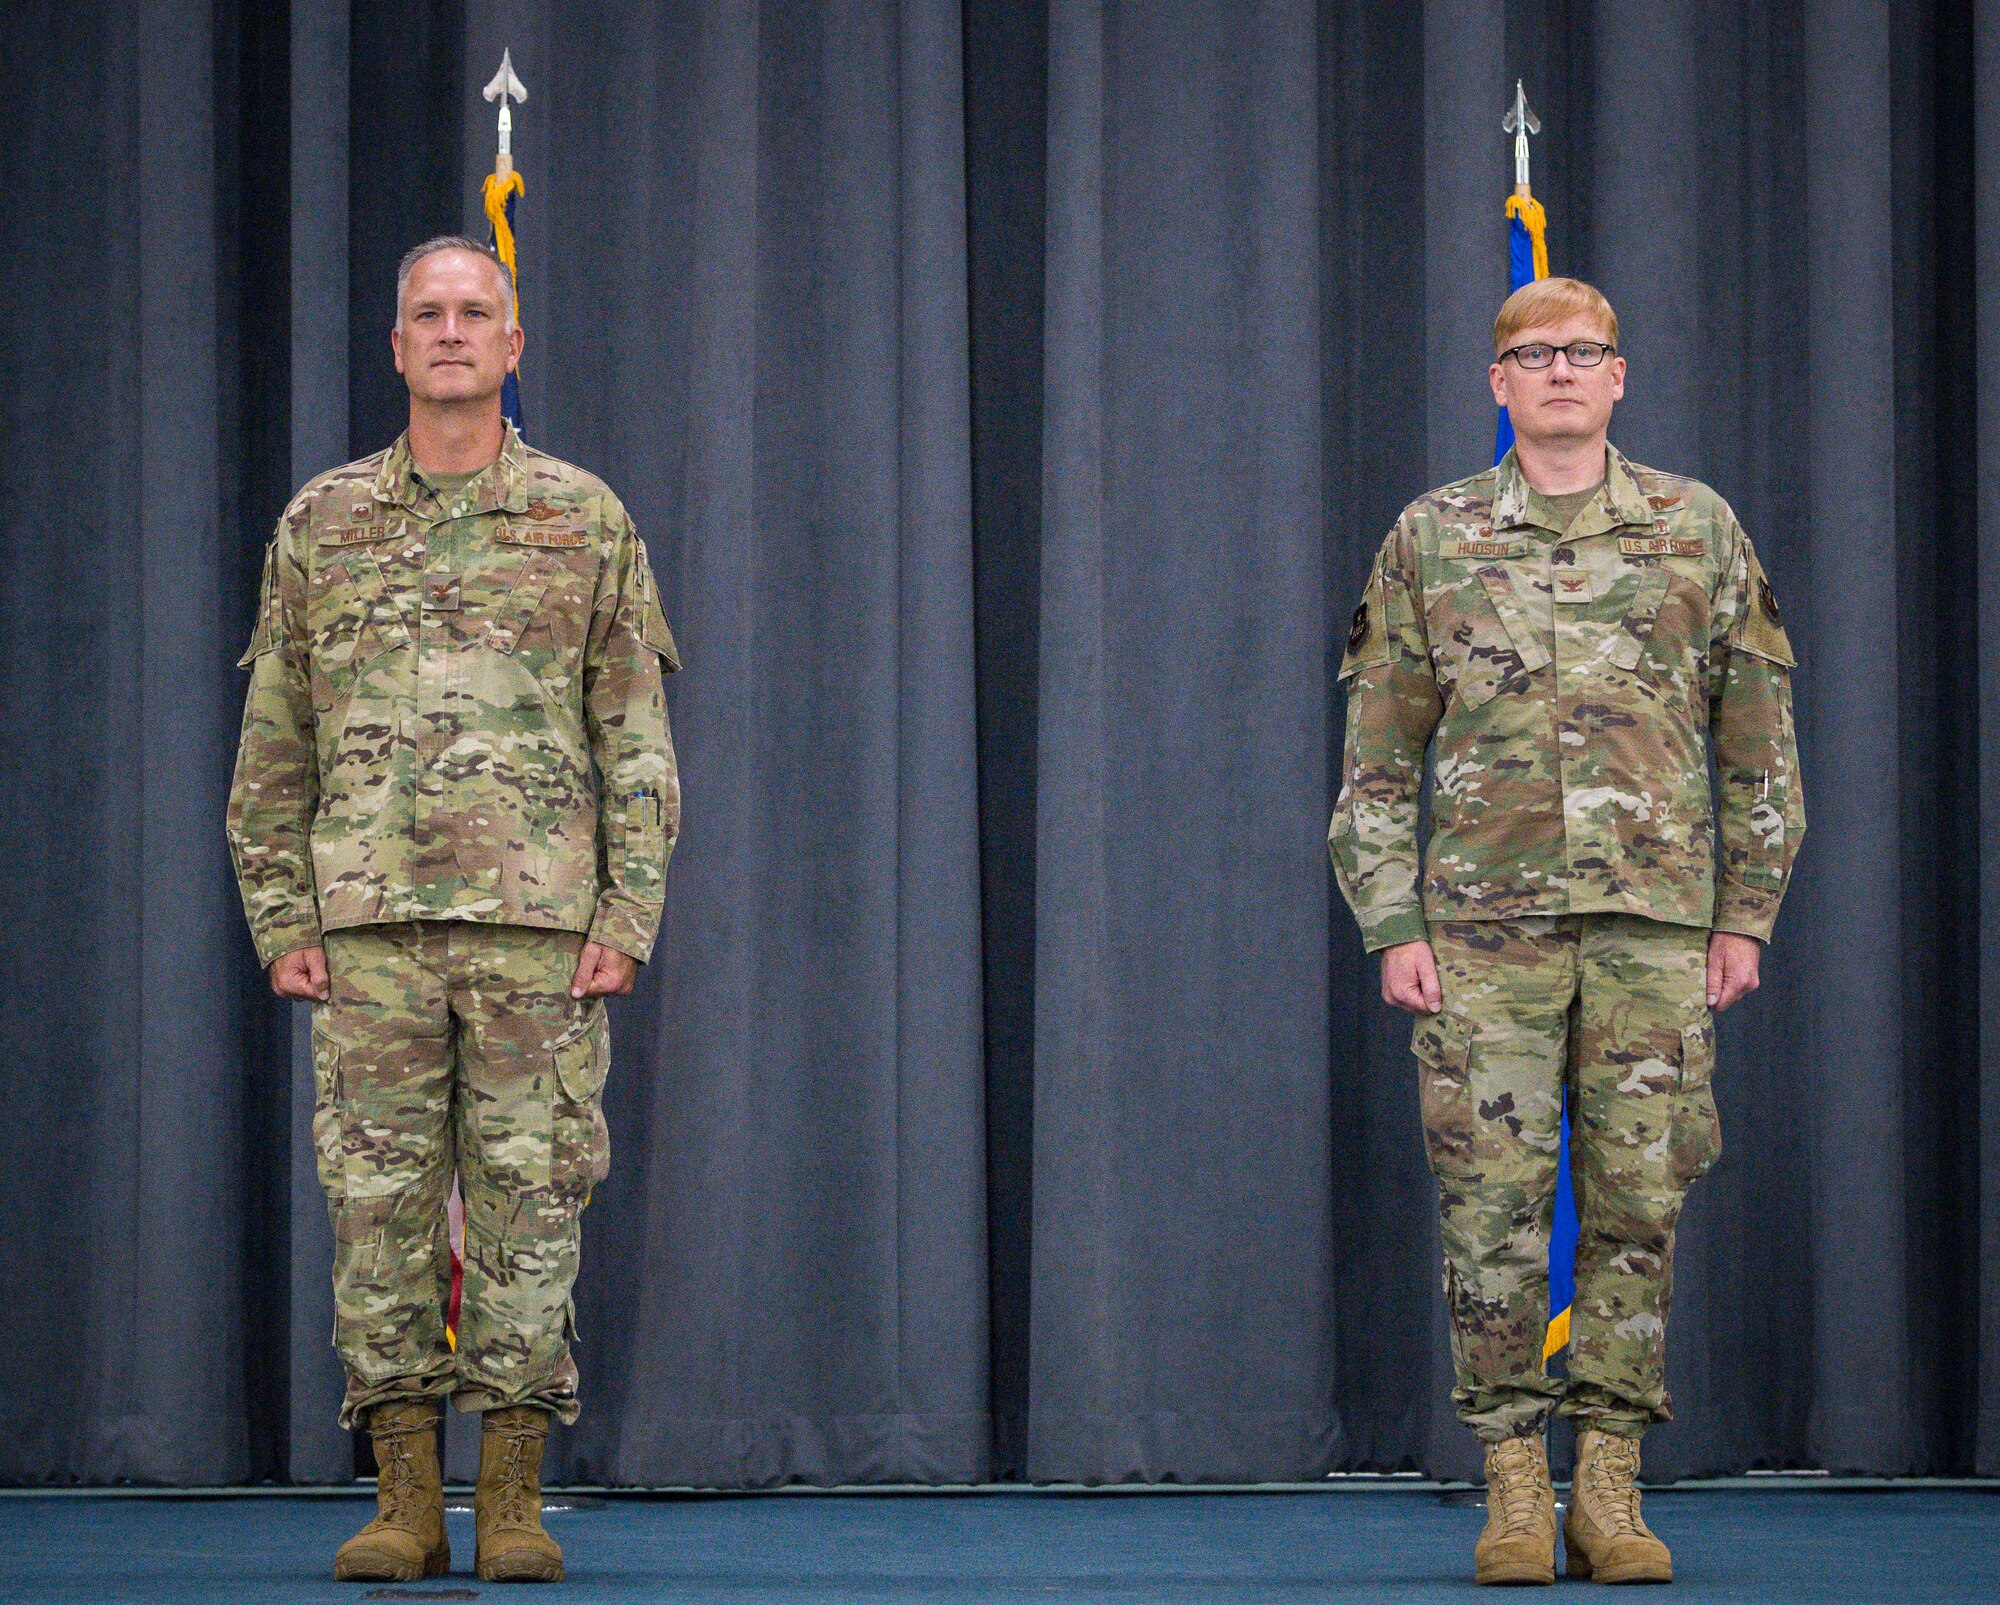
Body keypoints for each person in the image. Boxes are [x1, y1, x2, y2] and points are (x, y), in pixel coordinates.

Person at [1328, 277, 1802, 1586]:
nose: (1558, 373)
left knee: (1639, 1204)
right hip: (1484, 926)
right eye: (1532, 355)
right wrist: (1390, 919)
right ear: (1498, 383)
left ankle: (1610, 1484)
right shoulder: (1433, 537)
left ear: (1619, 375)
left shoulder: (1695, 528)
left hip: (1656, 927)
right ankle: (1515, 1485)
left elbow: (1759, 740)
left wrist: (1745, 912)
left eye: (1581, 353)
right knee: (1490, 1208)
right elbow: (1377, 753)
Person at [227, 236, 680, 1584]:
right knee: (377, 1207)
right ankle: (407, 1499)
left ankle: (517, 1496)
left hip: (538, 924)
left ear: (514, 344)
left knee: (535, 1198)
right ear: (397, 345)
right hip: (365, 924)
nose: (451, 332)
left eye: (475, 312)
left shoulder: (583, 517)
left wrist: (630, 906)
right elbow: (275, 734)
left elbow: (635, 736)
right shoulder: (325, 521)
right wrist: (278, 907)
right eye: (427, 312)